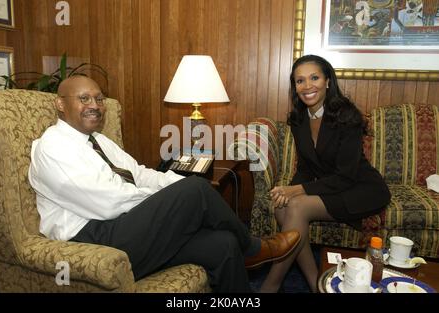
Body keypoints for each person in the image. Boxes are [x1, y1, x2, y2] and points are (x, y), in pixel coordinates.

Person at [28, 75, 300, 293]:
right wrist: (173, 198)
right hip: (93, 238)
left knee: (225, 244)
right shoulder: (53, 148)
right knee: (195, 190)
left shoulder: (98, 141)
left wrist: (172, 186)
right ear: (61, 104)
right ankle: (254, 249)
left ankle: (243, 249)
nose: (95, 105)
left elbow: (140, 173)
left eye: (99, 99)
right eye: (84, 98)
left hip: (125, 226)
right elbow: (110, 203)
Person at [258, 55, 391, 293]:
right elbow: (306, 169)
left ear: (328, 81)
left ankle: (270, 285)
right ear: (295, 87)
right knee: (281, 207)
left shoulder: (347, 116)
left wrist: (296, 191)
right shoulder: (299, 120)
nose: (307, 86)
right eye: (300, 81)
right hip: (333, 188)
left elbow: (346, 176)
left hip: (361, 188)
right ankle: (316, 283)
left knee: (296, 207)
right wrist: (287, 192)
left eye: (314, 77)